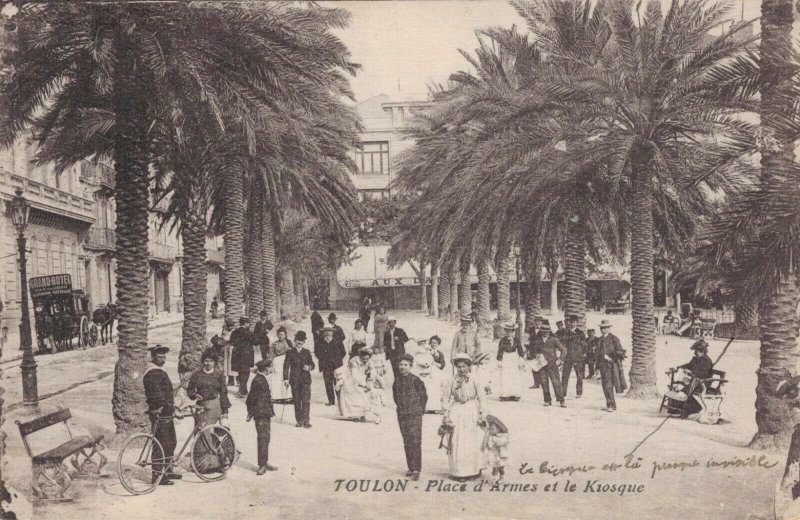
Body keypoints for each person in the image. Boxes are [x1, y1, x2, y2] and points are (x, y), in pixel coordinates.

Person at [442, 353, 486, 481]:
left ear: (469, 366)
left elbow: (482, 397)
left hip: (471, 409)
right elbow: (445, 397)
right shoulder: (451, 380)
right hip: (457, 411)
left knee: (472, 440)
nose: (461, 369)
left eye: (464, 366)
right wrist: (446, 413)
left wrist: (482, 412)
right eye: (459, 366)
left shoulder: (475, 379)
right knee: (457, 440)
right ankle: (459, 472)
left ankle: (473, 470)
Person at [142, 345, 180, 485]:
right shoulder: (153, 373)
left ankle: (168, 471)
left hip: (166, 413)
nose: (162, 359)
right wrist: (173, 408)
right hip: (160, 413)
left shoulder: (159, 371)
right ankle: (158, 475)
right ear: (153, 357)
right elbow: (158, 396)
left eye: (164, 357)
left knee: (171, 442)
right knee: (160, 445)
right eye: (159, 357)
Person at [393, 353, 427, 481]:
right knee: (406, 441)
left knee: (415, 441)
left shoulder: (416, 380)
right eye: (401, 365)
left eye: (405, 365)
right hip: (402, 414)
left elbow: (423, 397)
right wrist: (402, 408)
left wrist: (419, 411)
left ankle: (417, 469)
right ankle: (410, 467)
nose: (402, 367)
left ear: (411, 366)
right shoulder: (396, 380)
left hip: (415, 415)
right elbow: (395, 397)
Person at [246, 359, 278, 475]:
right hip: (261, 414)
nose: (271, 369)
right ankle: (262, 465)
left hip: (264, 413)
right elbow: (251, 398)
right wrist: (251, 412)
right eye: (270, 367)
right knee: (263, 438)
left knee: (266, 438)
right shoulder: (258, 380)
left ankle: (264, 461)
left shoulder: (261, 379)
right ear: (266, 368)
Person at [187, 350, 231, 427]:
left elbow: (223, 393)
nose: (208, 363)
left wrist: (225, 412)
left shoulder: (219, 376)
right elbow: (190, 390)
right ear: (203, 361)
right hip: (201, 407)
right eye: (206, 361)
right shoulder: (196, 375)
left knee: (215, 432)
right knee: (201, 433)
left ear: (215, 363)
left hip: (215, 407)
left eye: (211, 361)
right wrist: (194, 395)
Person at [672, 340, 714, 415]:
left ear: (702, 351)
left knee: (685, 389)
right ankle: (679, 407)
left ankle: (692, 408)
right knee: (682, 386)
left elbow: (704, 374)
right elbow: (688, 365)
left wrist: (691, 372)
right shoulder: (696, 359)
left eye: (696, 351)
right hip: (695, 381)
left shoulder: (707, 361)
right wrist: (679, 367)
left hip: (704, 382)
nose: (695, 353)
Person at [283, 331, 314, 428]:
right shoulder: (290, 352)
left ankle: (306, 421)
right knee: (296, 400)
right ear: (295, 340)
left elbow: (313, 364)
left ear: (304, 341)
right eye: (298, 340)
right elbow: (286, 366)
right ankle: (299, 420)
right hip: (295, 380)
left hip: (306, 380)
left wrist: (309, 367)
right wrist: (286, 379)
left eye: (302, 340)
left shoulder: (307, 352)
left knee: (306, 401)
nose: (300, 342)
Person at [596, 319, 625, 412]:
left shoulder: (614, 338)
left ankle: (611, 405)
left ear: (609, 328)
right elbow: (597, 354)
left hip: (611, 366)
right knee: (605, 385)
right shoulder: (600, 339)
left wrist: (610, 357)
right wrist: (597, 367)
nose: (602, 329)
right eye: (601, 328)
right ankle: (611, 404)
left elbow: (620, 351)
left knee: (608, 385)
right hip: (602, 366)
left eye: (604, 328)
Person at [339, 345, 374, 421]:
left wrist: (371, 378)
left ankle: (362, 415)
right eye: (364, 358)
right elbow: (355, 375)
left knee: (364, 397)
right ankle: (354, 415)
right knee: (354, 398)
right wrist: (363, 384)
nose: (365, 360)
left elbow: (372, 371)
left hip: (362, 379)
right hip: (351, 380)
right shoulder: (354, 361)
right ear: (360, 356)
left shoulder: (369, 361)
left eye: (367, 359)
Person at [413, 336, 446, 412]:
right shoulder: (420, 352)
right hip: (423, 372)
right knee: (424, 389)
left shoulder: (434, 352)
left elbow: (441, 364)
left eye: (436, 343)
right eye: (432, 343)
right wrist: (425, 363)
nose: (433, 344)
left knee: (433, 390)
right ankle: (423, 407)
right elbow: (418, 360)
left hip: (432, 373)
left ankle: (433, 407)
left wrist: (432, 360)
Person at [316, 326, 346, 406]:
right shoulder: (320, 342)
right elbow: (317, 353)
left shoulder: (338, 341)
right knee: (328, 384)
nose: (328, 334)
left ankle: (340, 400)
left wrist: (337, 360)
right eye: (326, 332)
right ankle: (331, 401)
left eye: (330, 332)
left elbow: (343, 352)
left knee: (338, 383)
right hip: (326, 366)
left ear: (332, 333)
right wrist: (323, 359)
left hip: (336, 367)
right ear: (324, 333)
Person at [538, 325, 566, 408]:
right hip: (542, 364)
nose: (545, 333)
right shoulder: (538, 340)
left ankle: (561, 400)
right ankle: (547, 400)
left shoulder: (554, 340)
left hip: (552, 364)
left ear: (549, 332)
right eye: (543, 331)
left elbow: (564, 350)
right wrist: (535, 356)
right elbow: (533, 350)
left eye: (547, 331)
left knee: (556, 382)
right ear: (541, 332)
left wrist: (560, 360)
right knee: (544, 382)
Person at [496, 323, 525, 401]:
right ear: (506, 331)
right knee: (505, 376)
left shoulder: (517, 340)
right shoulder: (503, 340)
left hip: (513, 359)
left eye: (512, 332)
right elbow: (500, 350)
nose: (510, 333)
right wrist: (499, 360)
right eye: (508, 332)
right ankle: (505, 395)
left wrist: (521, 358)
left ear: (514, 332)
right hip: (506, 358)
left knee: (514, 376)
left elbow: (520, 350)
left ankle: (514, 394)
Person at [561, 314, 587, 399]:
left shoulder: (580, 333)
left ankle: (579, 393)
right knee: (565, 375)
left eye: (574, 322)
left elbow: (584, 346)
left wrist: (582, 355)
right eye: (571, 322)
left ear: (577, 323)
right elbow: (562, 344)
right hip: (568, 357)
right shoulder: (565, 332)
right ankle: (563, 392)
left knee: (579, 375)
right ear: (569, 322)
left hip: (578, 358)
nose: (572, 324)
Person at [230, 316, 255, 397]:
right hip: (246, 355)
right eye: (248, 323)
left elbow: (231, 342)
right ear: (245, 323)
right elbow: (255, 342)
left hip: (236, 355)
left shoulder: (234, 332)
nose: (248, 324)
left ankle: (243, 389)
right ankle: (242, 390)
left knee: (240, 372)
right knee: (246, 372)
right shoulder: (249, 333)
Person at [480, 415, 510, 483]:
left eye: (493, 429)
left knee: (501, 468)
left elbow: (505, 440)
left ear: (498, 429)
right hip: (493, 455)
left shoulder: (501, 436)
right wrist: (481, 423)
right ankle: (495, 480)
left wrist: (499, 443)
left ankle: (502, 478)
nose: (491, 430)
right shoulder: (490, 435)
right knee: (495, 468)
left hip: (499, 455)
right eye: (490, 429)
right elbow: (485, 429)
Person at [221, 317, 236, 386]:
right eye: (229, 326)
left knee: (231, 364)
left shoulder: (234, 331)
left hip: (232, 349)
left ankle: (231, 380)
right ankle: (225, 380)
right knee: (226, 365)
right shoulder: (224, 331)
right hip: (226, 349)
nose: (230, 327)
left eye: (231, 326)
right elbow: (223, 339)